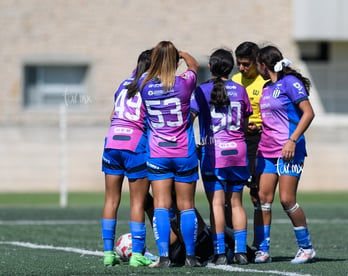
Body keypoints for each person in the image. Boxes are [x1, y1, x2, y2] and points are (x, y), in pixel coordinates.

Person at [138, 41, 200, 268]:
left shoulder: (144, 85)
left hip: (158, 152)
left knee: (161, 205)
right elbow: (195, 67)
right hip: (184, 151)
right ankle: (191, 257)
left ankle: (164, 256)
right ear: (175, 61)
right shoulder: (184, 84)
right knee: (187, 205)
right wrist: (182, 54)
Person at [253, 45, 316, 264]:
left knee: (287, 200)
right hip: (266, 150)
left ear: (263, 65)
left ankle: (306, 248)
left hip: (289, 149)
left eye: (256, 64)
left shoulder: (290, 83)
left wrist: (292, 140)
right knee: (262, 199)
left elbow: (309, 113)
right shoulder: (266, 87)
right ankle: (262, 250)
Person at [191, 49, 252, 265]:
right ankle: (241, 251)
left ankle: (219, 253)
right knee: (236, 203)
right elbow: (244, 124)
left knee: (216, 204)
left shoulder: (202, 91)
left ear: (210, 67)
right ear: (231, 67)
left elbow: (189, 118)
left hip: (213, 152)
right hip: (238, 152)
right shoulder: (241, 90)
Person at [101, 49, 153, 267]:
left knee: (111, 200)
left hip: (112, 142)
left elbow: (113, 115)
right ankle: (138, 254)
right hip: (134, 144)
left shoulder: (124, 83)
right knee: (137, 202)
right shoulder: (152, 86)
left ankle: (107, 254)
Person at [231, 42, 268, 249]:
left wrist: (259, 126)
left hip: (258, 141)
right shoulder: (234, 80)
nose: (242, 69)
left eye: (246, 64)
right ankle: (230, 243)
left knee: (257, 195)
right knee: (229, 192)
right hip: (235, 140)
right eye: (239, 64)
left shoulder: (264, 83)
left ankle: (260, 244)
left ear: (256, 63)